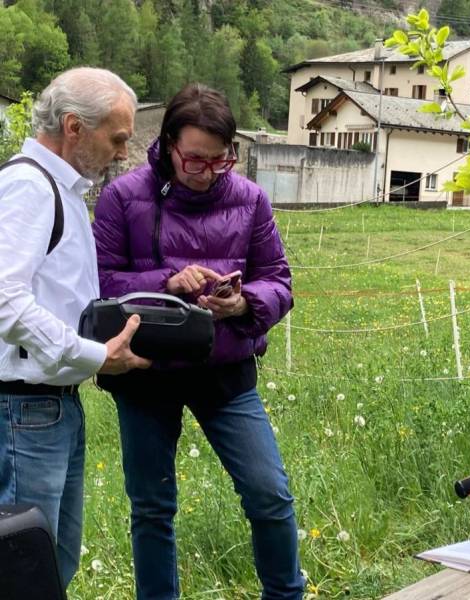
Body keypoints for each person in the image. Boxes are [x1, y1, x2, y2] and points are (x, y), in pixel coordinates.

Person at [92, 83, 303, 599]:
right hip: (145, 371)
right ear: (167, 145)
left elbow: (278, 279)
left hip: (225, 370)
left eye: (220, 161)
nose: (207, 172)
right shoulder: (123, 197)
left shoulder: (250, 199)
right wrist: (164, 282)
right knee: (152, 507)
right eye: (194, 161)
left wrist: (245, 303)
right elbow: (96, 284)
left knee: (269, 495)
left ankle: (286, 595)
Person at [0, 67, 151, 589]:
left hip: (50, 404)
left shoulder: (61, 190)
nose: (123, 153)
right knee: (23, 571)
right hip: (24, 406)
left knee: (52, 563)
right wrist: (92, 354)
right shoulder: (28, 187)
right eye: (117, 138)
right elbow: (4, 300)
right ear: (72, 125)